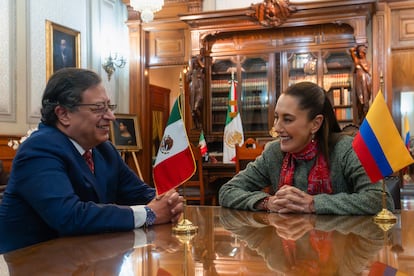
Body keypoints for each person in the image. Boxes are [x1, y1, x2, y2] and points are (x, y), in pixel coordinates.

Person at [0, 68, 184, 253]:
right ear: (63, 114)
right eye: (98, 108)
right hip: (35, 265)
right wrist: (150, 214)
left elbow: (140, 193)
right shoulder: (38, 150)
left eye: (109, 107)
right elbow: (70, 217)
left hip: (87, 260)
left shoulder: (105, 150)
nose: (111, 117)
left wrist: (168, 202)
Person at [219, 81, 394, 215]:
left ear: (315, 124)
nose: (277, 128)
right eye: (276, 118)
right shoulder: (273, 153)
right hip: (287, 253)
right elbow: (227, 191)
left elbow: (381, 200)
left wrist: (313, 204)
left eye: (287, 119)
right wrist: (267, 202)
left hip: (340, 252)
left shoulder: (346, 150)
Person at [349, 44, 372, 124]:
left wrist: (360, 64)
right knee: (360, 101)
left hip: (366, 83)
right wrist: (356, 48)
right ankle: (360, 119)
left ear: (364, 53)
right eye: (358, 52)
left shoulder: (367, 62)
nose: (359, 54)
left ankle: (365, 120)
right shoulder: (356, 60)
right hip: (358, 84)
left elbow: (366, 69)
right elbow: (351, 50)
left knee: (366, 102)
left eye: (361, 52)